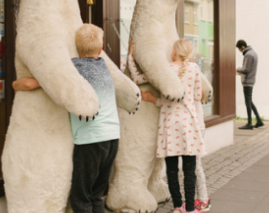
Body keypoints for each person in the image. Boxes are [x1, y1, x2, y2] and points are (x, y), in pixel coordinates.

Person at [13, 24, 121, 213]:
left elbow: (29, 84)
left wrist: (15, 83)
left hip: (91, 140)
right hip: (112, 137)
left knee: (81, 198)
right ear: (101, 49)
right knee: (96, 195)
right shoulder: (103, 65)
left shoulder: (73, 69)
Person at [131, 39, 206, 213]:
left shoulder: (164, 70)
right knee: (189, 171)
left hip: (169, 125)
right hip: (188, 125)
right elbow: (196, 96)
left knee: (171, 170)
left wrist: (130, 55)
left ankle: (177, 207)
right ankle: (190, 209)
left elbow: (137, 77)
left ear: (174, 52)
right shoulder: (194, 69)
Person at [236, 40, 263, 130]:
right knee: (250, 101)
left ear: (242, 47)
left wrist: (237, 69)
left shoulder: (248, 54)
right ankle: (259, 120)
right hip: (250, 80)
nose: (240, 51)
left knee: (247, 102)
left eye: (239, 49)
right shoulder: (253, 53)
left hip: (247, 82)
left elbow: (246, 69)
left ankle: (249, 123)